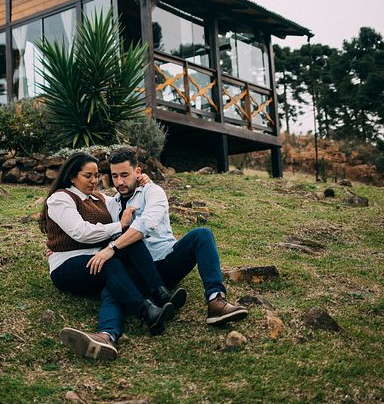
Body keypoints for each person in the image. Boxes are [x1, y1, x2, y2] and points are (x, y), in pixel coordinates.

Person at [39, 151, 185, 361]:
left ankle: (156, 296)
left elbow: (123, 197)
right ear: (72, 176)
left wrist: (144, 181)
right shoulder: (61, 198)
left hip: (97, 258)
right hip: (67, 265)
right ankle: (147, 311)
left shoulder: (99, 198)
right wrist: (119, 225)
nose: (93, 181)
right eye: (87, 176)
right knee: (111, 261)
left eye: (96, 175)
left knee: (126, 245)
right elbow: (81, 232)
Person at [104, 146, 249, 326]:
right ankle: (116, 327)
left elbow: (146, 225)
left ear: (138, 171)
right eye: (115, 176)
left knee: (202, 234)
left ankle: (216, 301)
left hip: (166, 261)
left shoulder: (152, 192)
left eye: (125, 175)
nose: (119, 182)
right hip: (138, 271)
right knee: (113, 280)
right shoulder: (111, 204)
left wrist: (114, 245)